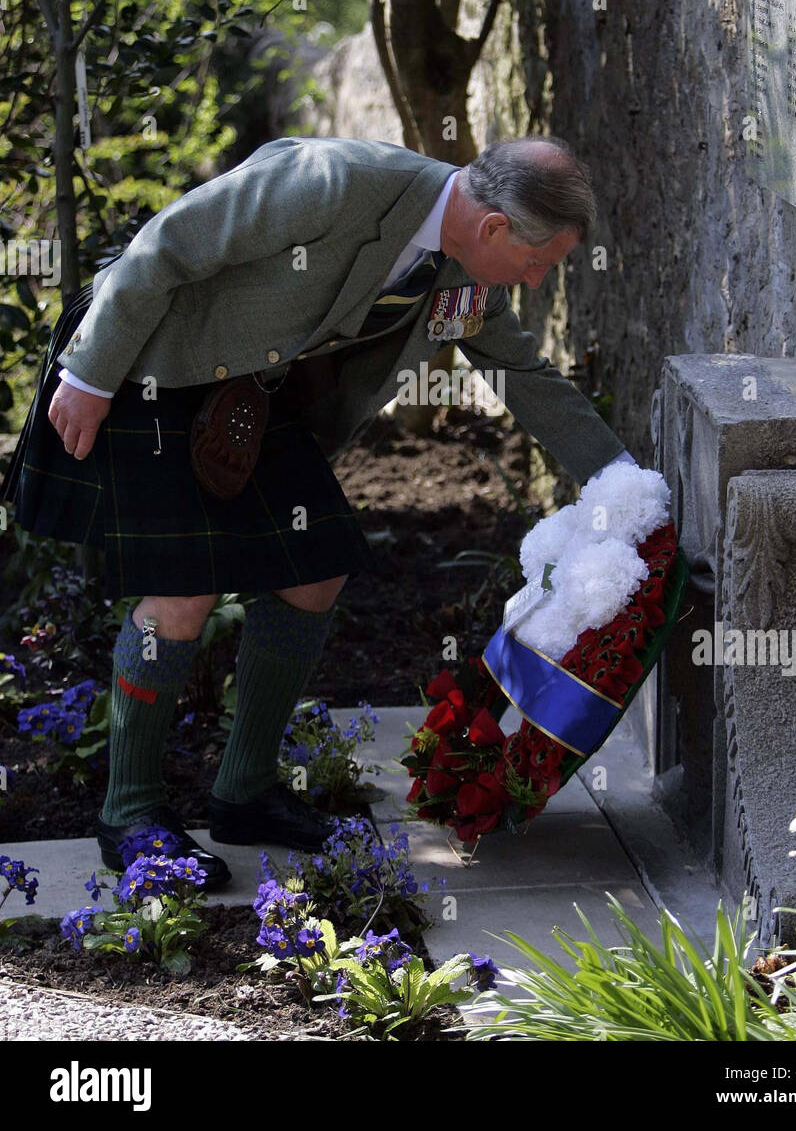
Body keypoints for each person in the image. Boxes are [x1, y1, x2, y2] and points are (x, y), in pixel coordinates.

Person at [0, 134, 636, 888]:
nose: (533, 281)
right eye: (538, 263)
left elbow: (523, 374)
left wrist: (628, 492)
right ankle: (130, 813)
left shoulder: (462, 275)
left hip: (248, 401)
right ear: (494, 227)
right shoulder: (334, 183)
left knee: (316, 568)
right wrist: (93, 374)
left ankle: (246, 795)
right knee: (182, 593)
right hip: (148, 363)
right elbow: (168, 244)